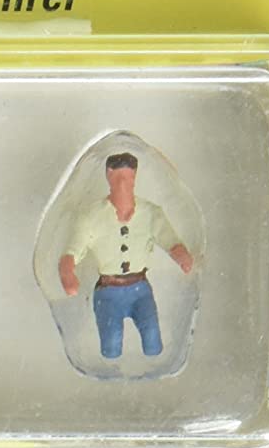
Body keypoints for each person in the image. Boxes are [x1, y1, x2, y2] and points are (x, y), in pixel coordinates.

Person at [58, 152, 193, 359]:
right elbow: (72, 251)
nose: (123, 185)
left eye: (128, 178)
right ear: (109, 176)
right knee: (111, 345)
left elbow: (169, 239)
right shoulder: (91, 216)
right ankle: (112, 373)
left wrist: (182, 256)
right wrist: (67, 272)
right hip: (108, 292)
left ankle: (153, 368)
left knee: (152, 339)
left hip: (140, 289)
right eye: (119, 178)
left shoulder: (151, 213)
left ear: (135, 177)